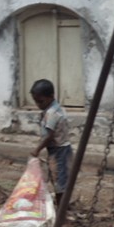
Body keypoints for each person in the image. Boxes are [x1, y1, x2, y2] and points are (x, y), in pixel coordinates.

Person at [29, 79, 73, 207]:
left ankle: (61, 208)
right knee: (59, 177)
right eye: (36, 101)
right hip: (60, 148)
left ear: (51, 97)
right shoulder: (55, 108)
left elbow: (49, 135)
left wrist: (37, 149)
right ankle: (62, 204)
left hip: (59, 150)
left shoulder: (52, 113)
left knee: (59, 178)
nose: (38, 105)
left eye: (40, 101)